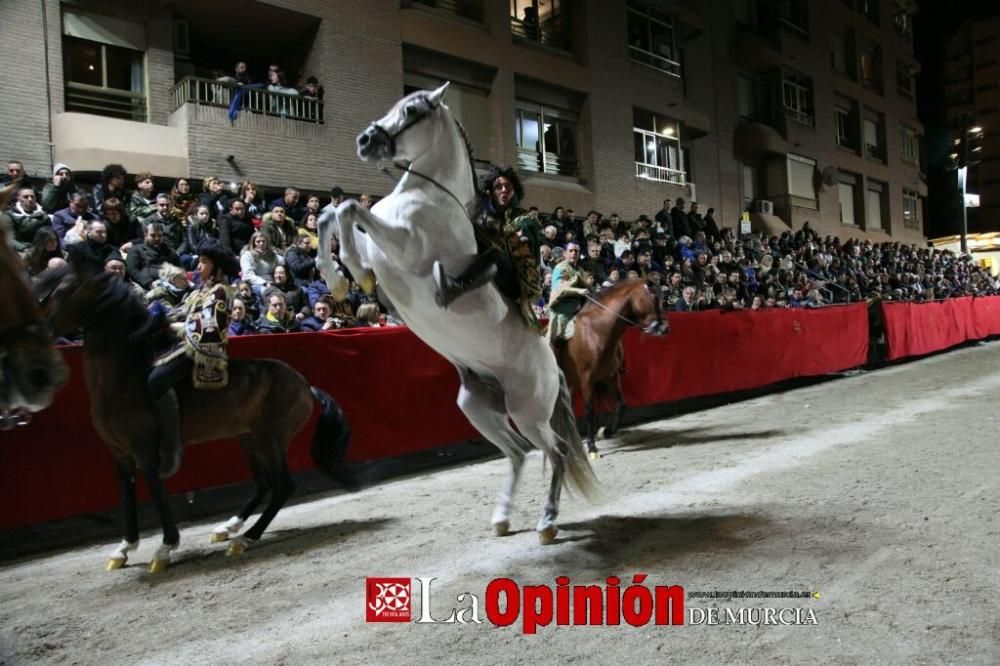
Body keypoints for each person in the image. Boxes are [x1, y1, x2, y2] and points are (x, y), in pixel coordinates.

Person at [148, 239, 239, 477]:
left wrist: (172, 326)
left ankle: (171, 446)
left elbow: (208, 328)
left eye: (204, 262)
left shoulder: (221, 292)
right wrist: (156, 315)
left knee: (156, 381)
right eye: (199, 261)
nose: (198, 267)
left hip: (202, 350)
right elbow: (180, 311)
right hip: (186, 342)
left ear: (217, 267)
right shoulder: (201, 290)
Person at [433, 165, 542, 329]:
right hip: (491, 270)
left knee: (497, 253)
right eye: (498, 187)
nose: (504, 190)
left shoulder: (525, 218)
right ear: (491, 191)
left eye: (508, 187)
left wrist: (518, 238)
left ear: (514, 192)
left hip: (516, 281)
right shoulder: (484, 218)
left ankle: (455, 287)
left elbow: (532, 256)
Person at [546, 240, 593, 345]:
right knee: (555, 338)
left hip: (578, 308)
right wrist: (578, 291)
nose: (573, 253)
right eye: (571, 250)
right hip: (561, 308)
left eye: (576, 251)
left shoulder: (581, 270)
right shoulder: (560, 268)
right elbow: (558, 288)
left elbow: (586, 287)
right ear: (565, 253)